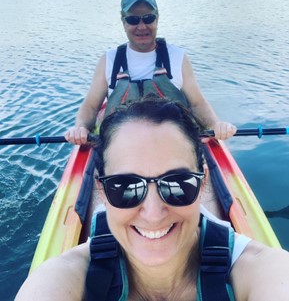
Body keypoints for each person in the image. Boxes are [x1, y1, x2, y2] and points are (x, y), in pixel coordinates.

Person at [16, 97, 289, 301]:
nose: (153, 212)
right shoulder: (60, 279)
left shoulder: (265, 271)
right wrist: (80, 126)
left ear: (202, 181)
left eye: (177, 183)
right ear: (101, 189)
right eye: (125, 186)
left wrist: (215, 123)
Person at [65, 0, 236, 145]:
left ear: (157, 18)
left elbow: (198, 104)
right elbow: (91, 106)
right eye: (133, 20)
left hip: (173, 146)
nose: (141, 26)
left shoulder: (178, 57)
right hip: (121, 148)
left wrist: (216, 125)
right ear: (123, 21)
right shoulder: (109, 60)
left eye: (148, 18)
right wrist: (81, 128)